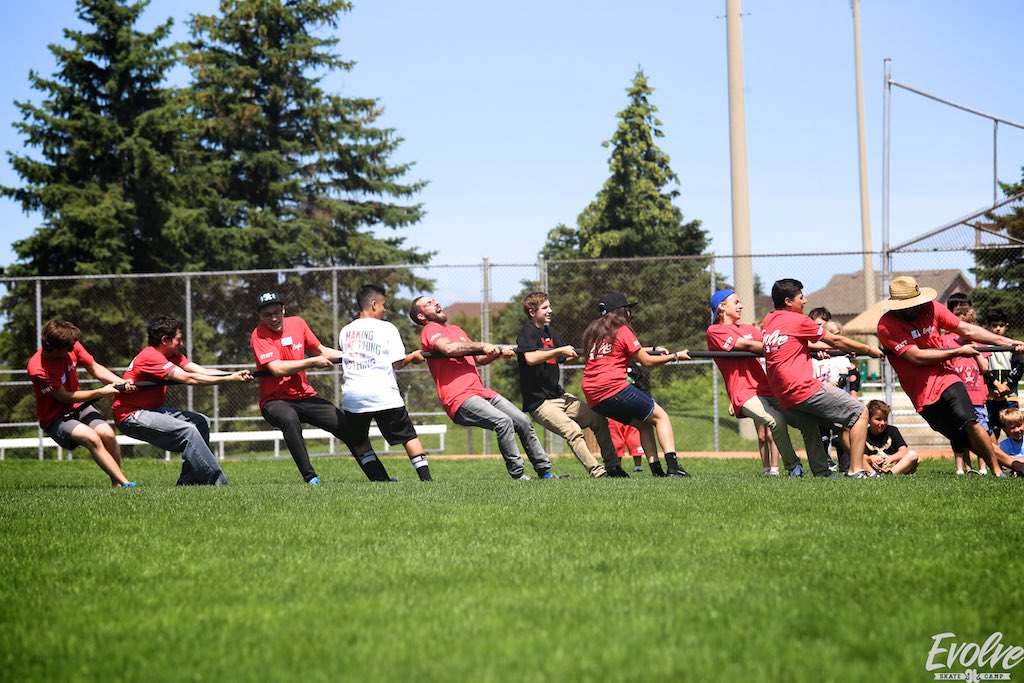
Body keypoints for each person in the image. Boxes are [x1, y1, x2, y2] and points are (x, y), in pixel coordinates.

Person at [876, 276, 1024, 478]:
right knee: (963, 438)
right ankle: (1015, 464)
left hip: (947, 376)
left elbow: (967, 329)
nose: (916, 307)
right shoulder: (886, 325)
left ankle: (998, 471)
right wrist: (957, 352)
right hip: (921, 392)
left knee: (970, 420)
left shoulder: (932, 308)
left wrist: (1008, 342)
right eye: (910, 305)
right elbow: (916, 357)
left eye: (917, 302)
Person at [409, 295, 562, 480]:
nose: (435, 302)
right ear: (421, 316)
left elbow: (478, 359)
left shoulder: (456, 329)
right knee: (503, 422)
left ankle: (545, 473)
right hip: (459, 398)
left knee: (523, 421)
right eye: (428, 303)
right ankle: (519, 475)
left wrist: (496, 353)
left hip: (481, 392)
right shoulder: (429, 330)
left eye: (434, 300)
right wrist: (482, 345)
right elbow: (449, 349)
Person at [251, 291, 392, 484]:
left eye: (277, 312)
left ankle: (380, 479)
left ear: (284, 309)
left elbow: (322, 351)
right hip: (275, 400)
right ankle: (311, 478)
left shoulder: (298, 323)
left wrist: (355, 356)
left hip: (304, 396)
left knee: (348, 429)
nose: (274, 318)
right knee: (289, 419)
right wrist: (311, 362)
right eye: (268, 315)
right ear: (260, 316)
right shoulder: (258, 335)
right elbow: (277, 368)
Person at [761, 278, 884, 479]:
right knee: (860, 413)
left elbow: (795, 343)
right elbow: (835, 339)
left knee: (811, 425)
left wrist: (826, 348)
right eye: (801, 297)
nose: (806, 301)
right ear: (788, 301)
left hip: (783, 395)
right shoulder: (798, 319)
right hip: (802, 388)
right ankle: (855, 470)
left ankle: (823, 473)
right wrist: (868, 349)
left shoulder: (770, 319)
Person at [113, 315, 252, 486]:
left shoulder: (171, 355)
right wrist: (230, 379)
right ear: (165, 340)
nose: (181, 343)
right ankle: (219, 484)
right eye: (178, 339)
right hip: (130, 415)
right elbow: (189, 378)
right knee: (188, 431)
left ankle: (188, 481)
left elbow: (201, 372)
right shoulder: (150, 356)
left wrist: (234, 375)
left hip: (151, 409)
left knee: (201, 422)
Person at [708, 288, 821, 477]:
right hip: (744, 393)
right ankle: (794, 467)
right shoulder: (715, 331)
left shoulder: (748, 329)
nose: (741, 306)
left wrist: (819, 349)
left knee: (807, 422)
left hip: (767, 388)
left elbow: (782, 341)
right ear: (721, 307)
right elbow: (748, 345)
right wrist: (781, 347)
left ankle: (822, 470)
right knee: (775, 421)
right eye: (736, 302)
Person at [580, 292, 691, 477]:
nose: (630, 313)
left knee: (644, 424)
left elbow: (627, 349)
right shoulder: (622, 329)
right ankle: (673, 467)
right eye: (628, 309)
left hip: (594, 396)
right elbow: (646, 361)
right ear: (621, 311)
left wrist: (653, 349)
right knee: (661, 417)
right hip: (613, 388)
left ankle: (657, 471)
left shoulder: (596, 333)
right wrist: (675, 356)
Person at [515, 291, 620, 478]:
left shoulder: (550, 332)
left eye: (549, 306)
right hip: (540, 403)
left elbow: (565, 357)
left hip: (560, 396)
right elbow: (530, 358)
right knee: (572, 430)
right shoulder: (527, 332)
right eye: (545, 307)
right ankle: (598, 472)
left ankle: (614, 467)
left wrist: (581, 353)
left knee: (598, 419)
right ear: (532, 312)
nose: (550, 310)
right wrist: (559, 351)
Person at [339, 284, 432, 481]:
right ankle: (426, 480)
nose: (385, 309)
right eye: (383, 305)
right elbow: (397, 363)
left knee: (360, 441)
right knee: (408, 436)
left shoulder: (345, 331)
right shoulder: (387, 328)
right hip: (383, 394)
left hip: (353, 396)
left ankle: (380, 480)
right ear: (374, 304)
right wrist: (413, 357)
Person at [27, 320, 137, 487]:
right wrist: (101, 391)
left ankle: (117, 484)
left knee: (107, 434)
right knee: (91, 437)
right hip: (55, 417)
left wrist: (122, 383)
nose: (73, 349)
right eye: (69, 348)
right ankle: (126, 483)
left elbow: (95, 368)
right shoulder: (37, 369)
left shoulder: (72, 346)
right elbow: (65, 397)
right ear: (56, 348)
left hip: (79, 407)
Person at [942, 294, 989, 475]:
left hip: (977, 395)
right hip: (958, 395)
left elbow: (985, 367)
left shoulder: (978, 342)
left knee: (980, 430)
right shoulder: (948, 340)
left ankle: (983, 468)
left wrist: (975, 349)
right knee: (960, 432)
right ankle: (965, 468)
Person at [981, 309, 1024, 441]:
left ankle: (1017, 453)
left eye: (1001, 325)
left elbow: (1019, 367)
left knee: (1014, 428)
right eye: (994, 325)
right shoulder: (983, 346)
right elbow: (983, 369)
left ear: (1006, 326)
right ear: (988, 326)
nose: (998, 329)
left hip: (1009, 395)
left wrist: (1005, 385)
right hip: (990, 396)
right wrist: (996, 386)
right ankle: (994, 454)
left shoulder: (1013, 345)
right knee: (992, 430)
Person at [863, 400, 920, 475]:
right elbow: (862, 456)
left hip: (893, 465)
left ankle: (889, 474)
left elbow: (903, 450)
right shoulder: (864, 434)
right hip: (873, 466)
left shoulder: (892, 430)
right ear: (869, 419)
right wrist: (870, 459)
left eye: (885, 419)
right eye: (878, 419)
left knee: (913, 455)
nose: (882, 423)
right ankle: (874, 473)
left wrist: (891, 458)